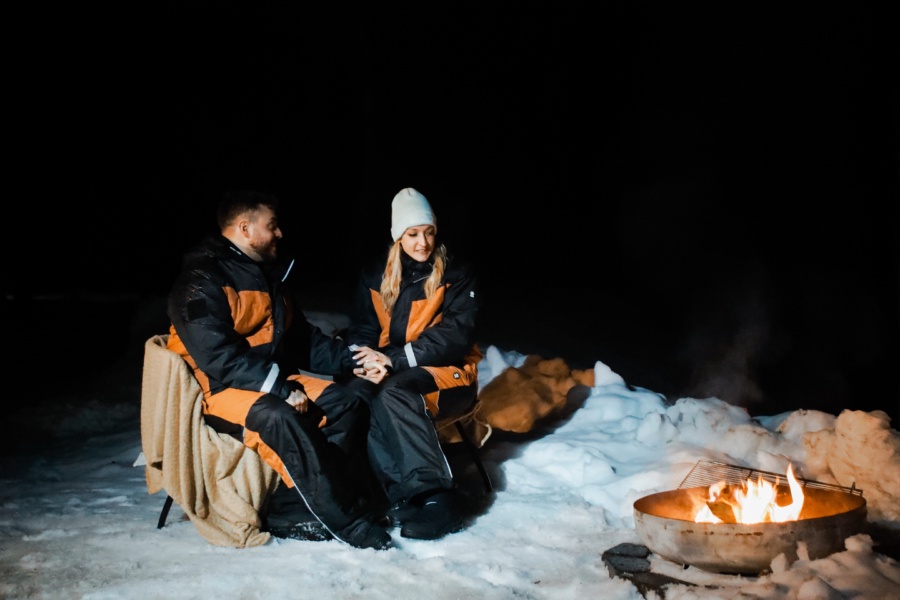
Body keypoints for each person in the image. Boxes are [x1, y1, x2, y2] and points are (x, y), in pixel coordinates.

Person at [166, 189, 392, 550]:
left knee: (344, 404)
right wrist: (279, 388)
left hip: (265, 380)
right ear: (244, 228)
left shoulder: (267, 277)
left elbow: (303, 341)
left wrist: (356, 359)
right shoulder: (200, 280)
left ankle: (293, 507)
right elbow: (217, 356)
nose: (280, 233)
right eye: (272, 226)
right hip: (220, 389)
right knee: (279, 415)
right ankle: (345, 521)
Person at [348, 187, 482, 540]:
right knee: (361, 393)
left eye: (429, 232)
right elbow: (362, 328)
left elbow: (455, 337)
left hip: (451, 375)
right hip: (395, 370)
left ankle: (438, 499)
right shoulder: (376, 274)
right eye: (412, 234)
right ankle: (400, 497)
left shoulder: (457, 273)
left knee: (392, 392)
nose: (423, 242)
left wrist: (392, 360)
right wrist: (364, 362)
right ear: (397, 237)